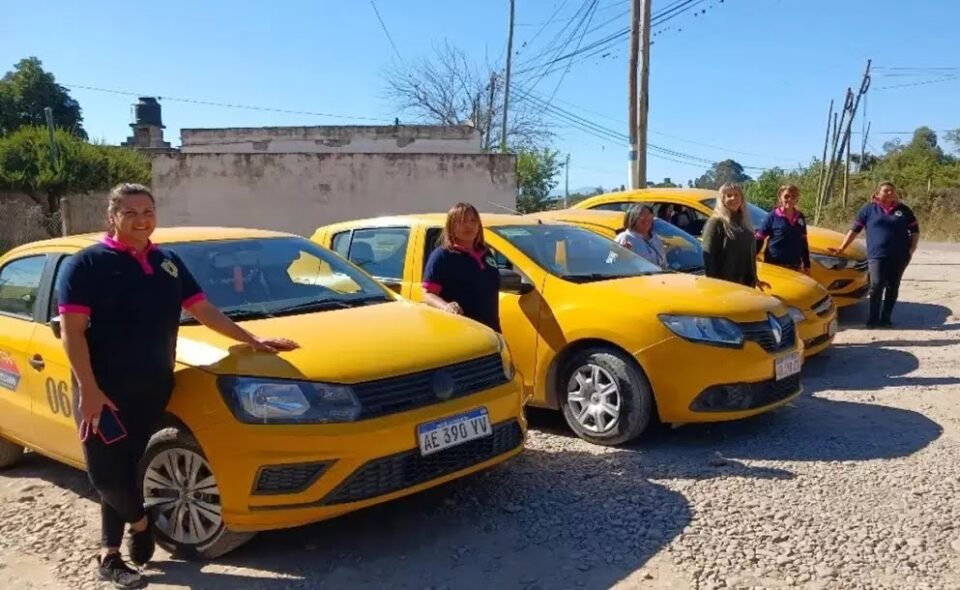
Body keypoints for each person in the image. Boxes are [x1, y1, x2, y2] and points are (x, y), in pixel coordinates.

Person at [57, 183, 300, 588]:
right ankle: (140, 523)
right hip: (102, 391)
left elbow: (202, 309)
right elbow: (72, 332)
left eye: (148, 211)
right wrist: (90, 389)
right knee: (105, 475)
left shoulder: (167, 262)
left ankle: (109, 555)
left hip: (153, 386)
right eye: (131, 212)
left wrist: (252, 340)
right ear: (112, 217)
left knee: (128, 468)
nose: (141, 219)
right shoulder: (87, 264)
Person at [832, 181, 920, 328]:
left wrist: (912, 248)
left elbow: (915, 230)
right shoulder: (868, 209)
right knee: (876, 284)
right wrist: (842, 247)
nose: (890, 193)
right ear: (877, 193)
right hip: (877, 255)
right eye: (886, 190)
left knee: (893, 286)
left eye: (892, 190)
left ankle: (886, 319)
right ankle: (873, 319)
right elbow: (854, 230)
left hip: (899, 255)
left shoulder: (904, 210)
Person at [422, 202, 502, 332]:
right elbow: (428, 294)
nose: (469, 225)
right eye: (462, 221)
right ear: (451, 226)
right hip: (459, 332)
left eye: (473, 220)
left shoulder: (486, 253)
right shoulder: (442, 256)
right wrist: (446, 306)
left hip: (490, 331)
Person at [702, 182, 770, 290]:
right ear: (722, 200)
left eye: (737, 194)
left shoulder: (745, 223)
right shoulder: (716, 223)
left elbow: (750, 256)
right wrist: (715, 287)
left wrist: (755, 279)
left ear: (742, 198)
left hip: (746, 286)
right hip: (726, 288)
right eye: (729, 195)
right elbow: (709, 258)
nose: (733, 198)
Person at [755, 184, 811, 274]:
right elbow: (759, 239)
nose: (790, 199)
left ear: (797, 199)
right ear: (780, 197)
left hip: (794, 266)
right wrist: (752, 258)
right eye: (786, 196)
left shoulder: (800, 217)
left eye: (793, 196)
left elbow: (803, 241)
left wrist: (807, 264)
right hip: (774, 265)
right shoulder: (772, 216)